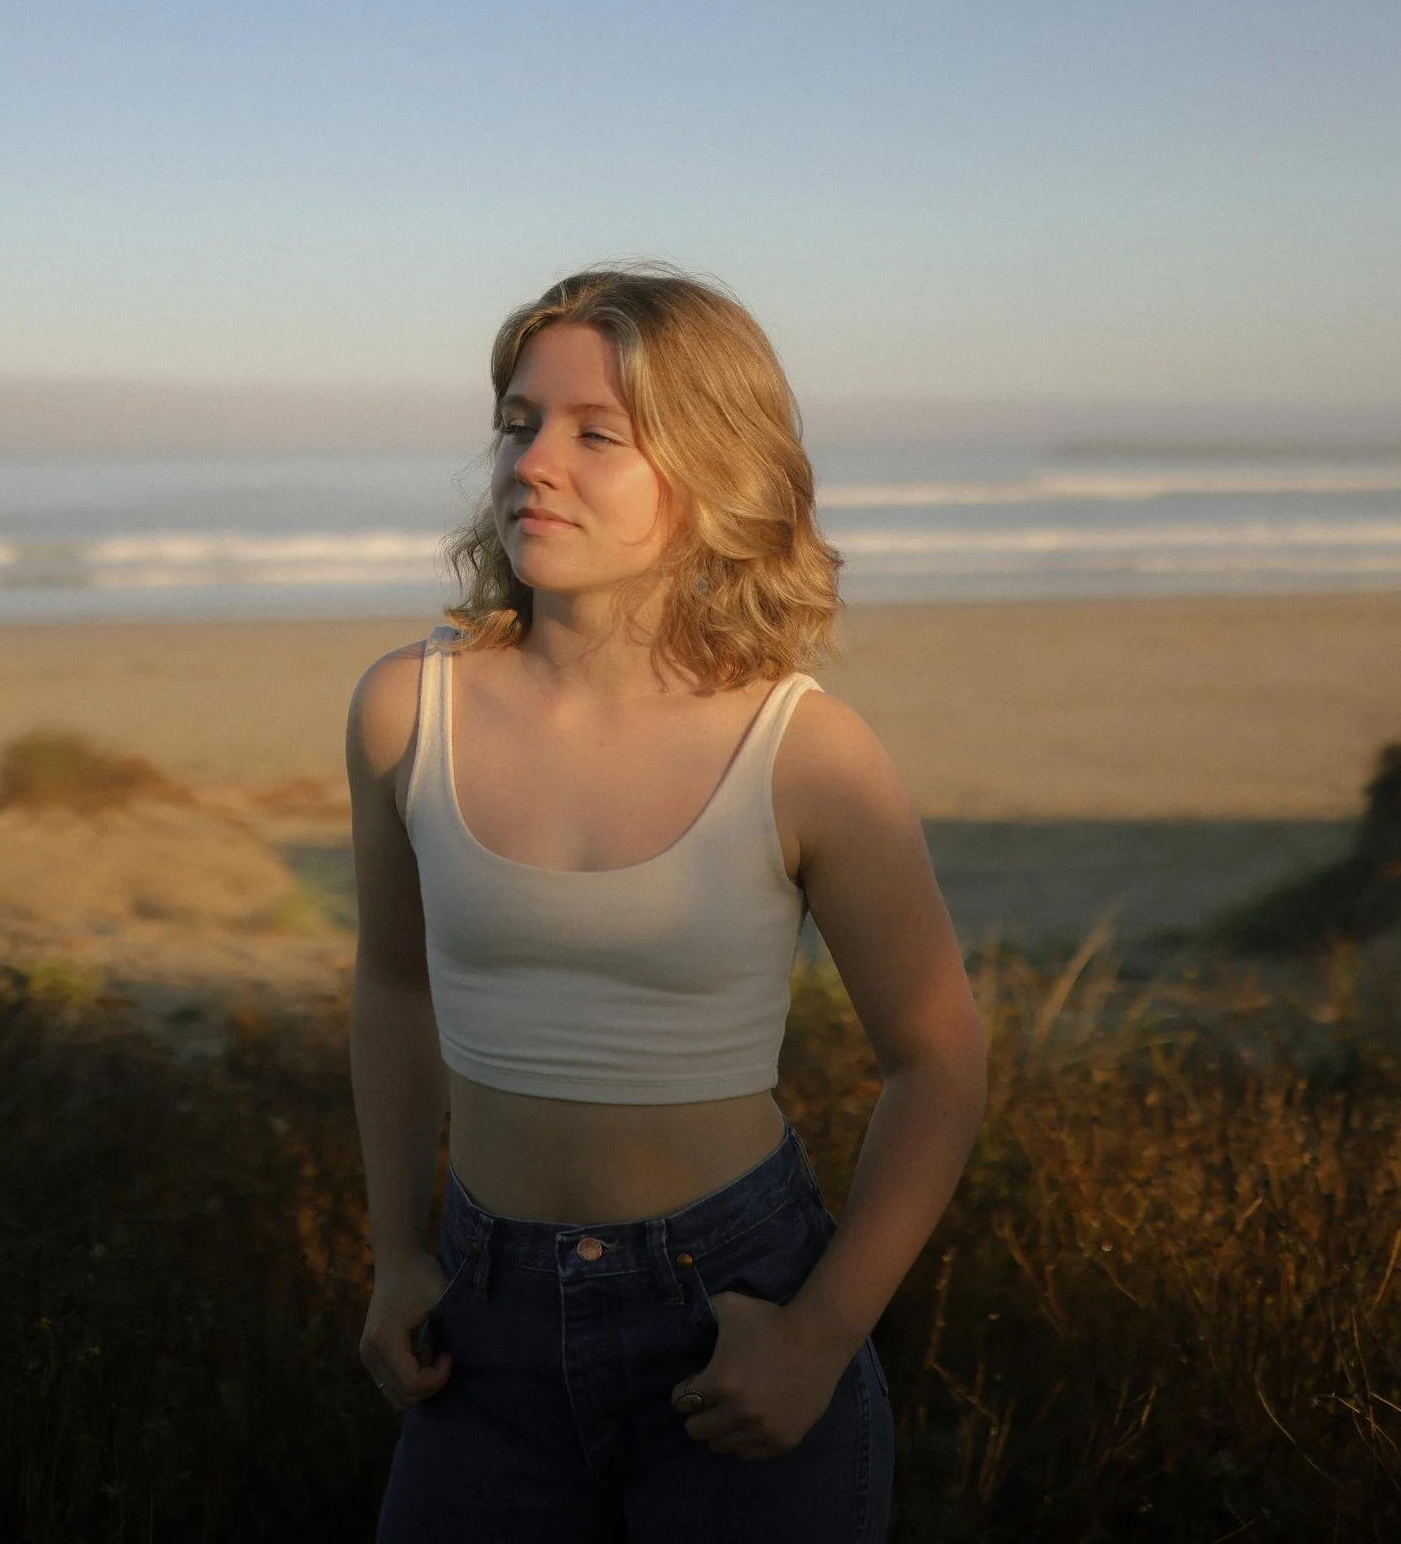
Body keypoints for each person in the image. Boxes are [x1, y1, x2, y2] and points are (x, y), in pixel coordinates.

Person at [347, 267, 987, 1542]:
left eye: (598, 434)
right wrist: (398, 1250)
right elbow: (394, 983)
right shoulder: (404, 706)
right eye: (520, 421)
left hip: (730, 1311)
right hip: (485, 1319)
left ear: (711, 471)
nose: (535, 461)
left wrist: (818, 1334)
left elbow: (939, 1058)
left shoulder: (802, 749)